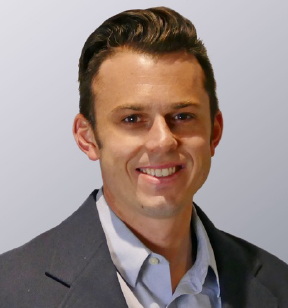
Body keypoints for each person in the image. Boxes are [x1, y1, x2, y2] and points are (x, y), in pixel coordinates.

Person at [0, 6, 287, 308]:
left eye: (182, 115)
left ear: (214, 133)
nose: (163, 141)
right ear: (88, 138)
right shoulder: (11, 291)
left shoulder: (279, 285)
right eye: (133, 119)